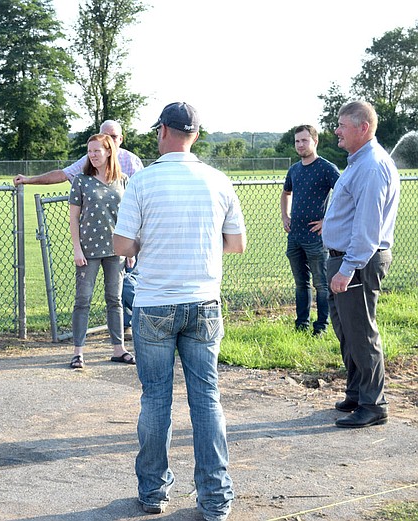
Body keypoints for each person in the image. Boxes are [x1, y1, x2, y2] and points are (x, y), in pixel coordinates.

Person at [114, 102, 246, 521]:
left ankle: (153, 491)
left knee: (156, 399)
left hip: (154, 302)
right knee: (206, 398)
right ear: (195, 134)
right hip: (204, 301)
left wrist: (145, 246)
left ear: (163, 132)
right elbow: (236, 243)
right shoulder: (218, 180)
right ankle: (215, 498)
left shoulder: (143, 181)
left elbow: (122, 246)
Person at [322, 100, 400, 429]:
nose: (336, 131)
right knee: (347, 331)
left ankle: (373, 404)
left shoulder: (371, 166)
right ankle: (356, 392)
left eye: (342, 125)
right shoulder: (358, 162)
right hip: (345, 259)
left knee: (361, 333)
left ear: (362, 127)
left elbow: (367, 228)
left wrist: (347, 268)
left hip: (358, 262)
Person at [68, 133, 134, 369]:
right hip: (88, 251)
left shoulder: (123, 180)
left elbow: (128, 217)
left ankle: (119, 349)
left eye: (97, 151)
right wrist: (77, 249)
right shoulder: (81, 181)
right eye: (90, 151)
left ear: (109, 152)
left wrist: (130, 249)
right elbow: (74, 218)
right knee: (83, 300)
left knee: (114, 300)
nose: (92, 155)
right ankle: (78, 352)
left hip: (116, 251)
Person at [279, 125, 340, 336]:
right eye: (297, 141)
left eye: (305, 140)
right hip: (294, 236)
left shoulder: (326, 168)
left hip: (316, 237)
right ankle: (301, 324)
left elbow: (343, 195)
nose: (300, 145)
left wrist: (327, 221)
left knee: (322, 285)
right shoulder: (294, 169)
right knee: (300, 283)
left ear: (315, 142)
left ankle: (321, 326)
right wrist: (285, 216)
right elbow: (286, 193)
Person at [13, 120, 144, 186]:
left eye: (113, 137)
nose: (109, 140)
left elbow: (142, 193)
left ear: (121, 139)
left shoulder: (132, 161)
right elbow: (63, 174)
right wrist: (28, 180)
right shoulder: (90, 159)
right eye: (105, 136)